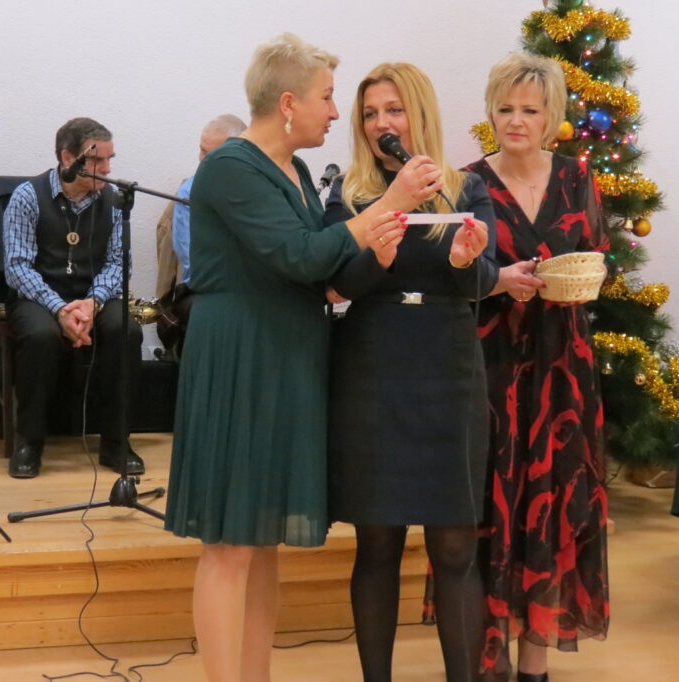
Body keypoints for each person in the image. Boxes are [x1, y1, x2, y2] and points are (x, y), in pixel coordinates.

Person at [164, 34, 435, 682]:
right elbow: (299, 255)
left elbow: (326, 269)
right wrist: (390, 205)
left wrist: (378, 249)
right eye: (328, 98)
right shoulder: (230, 166)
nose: (337, 113)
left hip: (286, 355)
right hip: (241, 357)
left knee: (261, 544)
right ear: (288, 104)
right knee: (230, 544)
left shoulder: (298, 173)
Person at [324, 62, 496, 682]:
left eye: (393, 110)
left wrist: (464, 260)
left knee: (454, 548)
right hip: (374, 369)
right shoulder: (347, 194)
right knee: (377, 545)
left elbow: (483, 282)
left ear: (418, 115)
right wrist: (376, 255)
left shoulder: (464, 188)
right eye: (370, 113)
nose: (381, 124)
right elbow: (336, 285)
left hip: (449, 369)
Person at [465, 53, 610, 682]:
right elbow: (459, 277)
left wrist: (573, 279)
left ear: (551, 117)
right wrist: (500, 281)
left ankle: (535, 663)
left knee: (554, 504)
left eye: (529, 110)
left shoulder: (577, 177)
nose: (516, 120)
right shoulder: (469, 183)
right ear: (491, 112)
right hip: (493, 365)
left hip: (563, 367)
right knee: (493, 506)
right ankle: (485, 656)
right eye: (505, 108)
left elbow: (598, 255)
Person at [2, 117, 143, 479]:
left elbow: (119, 263)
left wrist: (92, 303)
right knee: (39, 335)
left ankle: (116, 441)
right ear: (68, 158)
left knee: (126, 330)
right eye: (97, 160)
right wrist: (59, 309)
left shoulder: (114, 199)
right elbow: (17, 267)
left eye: (110, 159)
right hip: (39, 295)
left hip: (94, 295)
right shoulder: (27, 196)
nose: (107, 169)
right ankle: (30, 442)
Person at [171, 113, 247, 285]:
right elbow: (195, 262)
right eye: (202, 150)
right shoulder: (189, 194)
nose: (203, 160)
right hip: (208, 287)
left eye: (212, 154)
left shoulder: (259, 187)